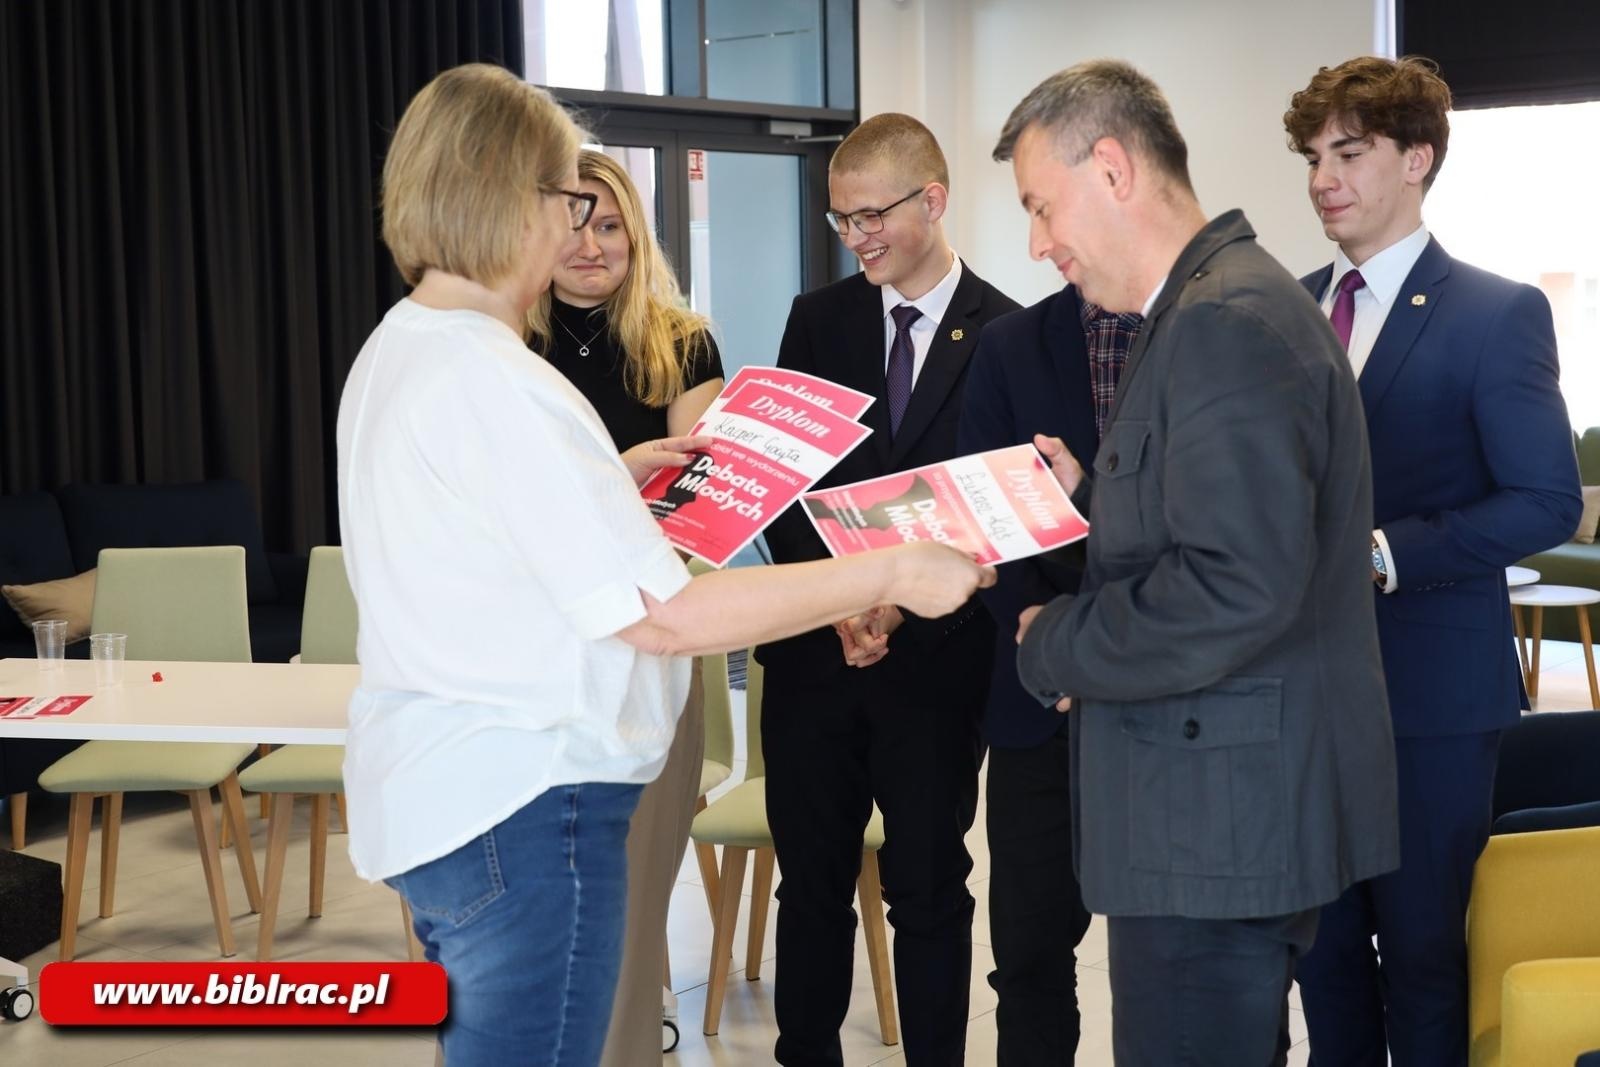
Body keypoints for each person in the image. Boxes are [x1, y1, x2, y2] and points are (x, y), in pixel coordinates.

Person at [337, 63, 994, 1067]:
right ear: (509, 198)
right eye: (566, 201)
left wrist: (615, 476)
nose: (577, 232)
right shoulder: (501, 380)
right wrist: (890, 573)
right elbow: (666, 611)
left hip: (451, 798)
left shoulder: (404, 347)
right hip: (524, 809)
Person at [994, 60, 1400, 1064]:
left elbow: (1233, 584)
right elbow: (1234, 533)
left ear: (1113, 169)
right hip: (1216, 815)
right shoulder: (1211, 307)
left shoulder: (1220, 322)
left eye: (1043, 208)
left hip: (1211, 829)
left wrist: (1053, 643)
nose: (1039, 244)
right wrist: (1094, 496)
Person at [1282, 56, 1583, 1067]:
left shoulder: (1494, 312)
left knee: (1418, 960)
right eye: (1314, 155)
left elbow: (1543, 497)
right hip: (1298, 695)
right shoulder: (1283, 307)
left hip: (1432, 699)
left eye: (1349, 151)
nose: (1323, 176)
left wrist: (1384, 551)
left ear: (1415, 159)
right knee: (1319, 959)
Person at [755, 112, 1018, 1065]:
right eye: (842, 220)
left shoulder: (1007, 332)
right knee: (811, 884)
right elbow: (784, 484)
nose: (857, 236)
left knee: (931, 888)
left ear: (932, 201)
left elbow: (991, 508)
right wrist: (840, 602)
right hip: (817, 657)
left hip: (935, 668)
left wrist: (898, 602)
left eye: (871, 215)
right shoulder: (815, 319)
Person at [528, 147, 724, 1067]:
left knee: (635, 914)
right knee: (537, 929)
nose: (590, 244)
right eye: (572, 222)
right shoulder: (502, 347)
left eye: (608, 224)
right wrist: (625, 475)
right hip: (529, 666)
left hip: (650, 654)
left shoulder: (684, 343)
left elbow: (695, 515)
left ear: (635, 233)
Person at [956, 282, 1139, 1064]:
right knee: (1028, 953)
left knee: (1165, 959)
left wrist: (1109, 648)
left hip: (1166, 696)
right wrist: (1043, 636)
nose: (1043, 236)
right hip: (1038, 691)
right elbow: (984, 512)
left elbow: (1212, 521)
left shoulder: (1202, 330)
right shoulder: (1011, 343)